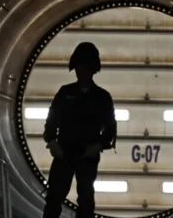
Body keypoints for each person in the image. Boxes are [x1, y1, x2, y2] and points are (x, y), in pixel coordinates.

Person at [42, 42, 117, 218]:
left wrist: (98, 146)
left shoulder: (102, 97)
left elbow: (110, 128)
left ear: (92, 69)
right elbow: (51, 121)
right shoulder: (65, 92)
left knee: (85, 201)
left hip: (87, 154)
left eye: (83, 68)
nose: (80, 72)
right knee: (54, 198)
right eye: (78, 68)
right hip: (64, 152)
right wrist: (52, 142)